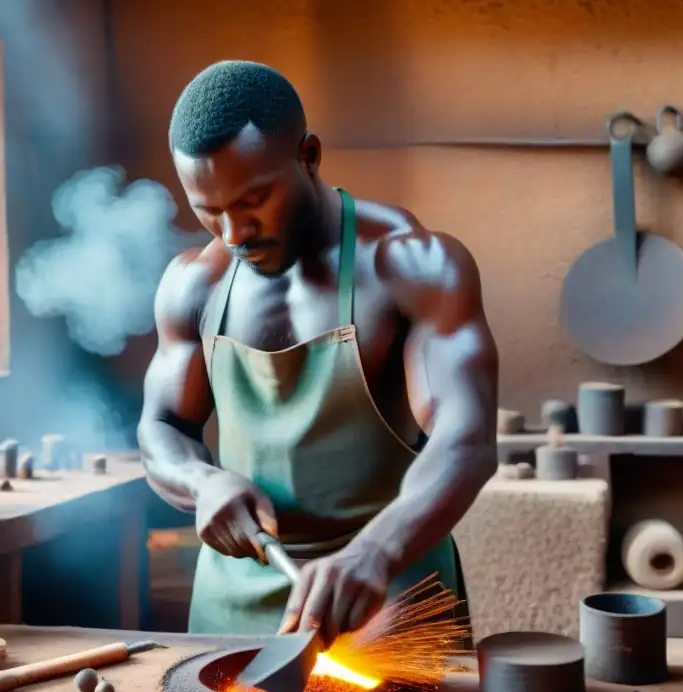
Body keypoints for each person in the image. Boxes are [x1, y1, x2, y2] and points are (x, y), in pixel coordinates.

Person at [137, 60, 499, 645]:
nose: (233, 233)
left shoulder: (409, 266)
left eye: (253, 199)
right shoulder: (193, 284)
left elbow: (468, 440)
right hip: (234, 608)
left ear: (308, 156)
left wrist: (377, 551)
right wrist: (201, 481)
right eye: (209, 209)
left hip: (388, 599)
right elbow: (162, 427)